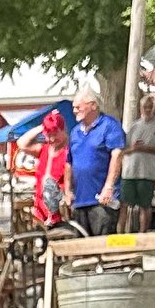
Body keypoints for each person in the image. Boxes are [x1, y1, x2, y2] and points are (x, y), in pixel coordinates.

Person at [67, 83, 126, 233]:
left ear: (93, 106)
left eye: (78, 107)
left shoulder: (109, 125)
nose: (74, 111)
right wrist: (68, 191)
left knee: (102, 245)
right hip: (80, 200)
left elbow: (117, 154)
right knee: (82, 249)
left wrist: (109, 187)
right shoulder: (75, 132)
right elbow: (69, 162)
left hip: (101, 200)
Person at [117, 90, 155, 232]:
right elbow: (125, 149)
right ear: (140, 108)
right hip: (129, 172)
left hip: (147, 172)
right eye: (144, 107)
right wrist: (134, 149)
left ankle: (143, 234)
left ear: (154, 107)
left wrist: (145, 148)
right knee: (124, 205)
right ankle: (121, 234)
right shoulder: (134, 126)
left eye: (150, 106)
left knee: (144, 205)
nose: (147, 110)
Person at [27, 109, 73, 228]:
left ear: (63, 130)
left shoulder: (69, 151)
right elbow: (22, 143)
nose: (52, 139)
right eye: (49, 134)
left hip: (61, 212)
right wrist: (42, 126)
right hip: (40, 213)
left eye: (55, 134)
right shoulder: (44, 149)